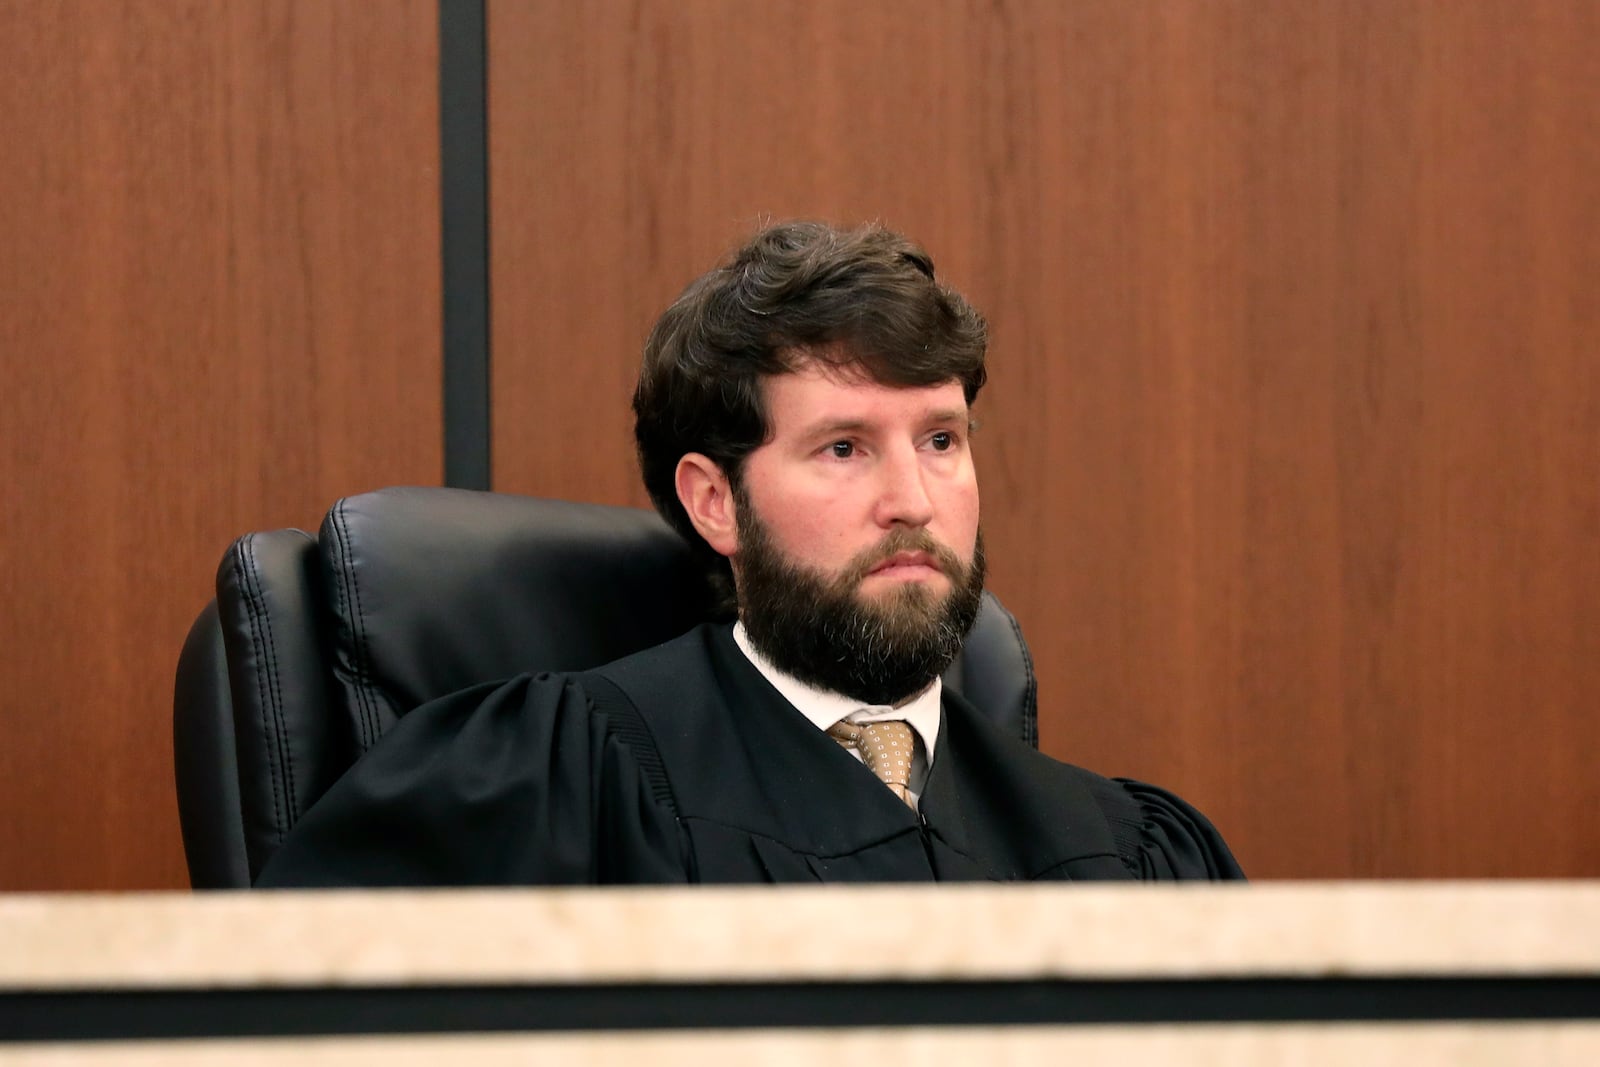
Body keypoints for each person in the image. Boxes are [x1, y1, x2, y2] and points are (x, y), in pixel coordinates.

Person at [258, 221, 1243, 886]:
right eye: (844, 447)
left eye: (941, 439)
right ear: (715, 500)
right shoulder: (553, 781)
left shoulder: (1128, 851)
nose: (913, 500)